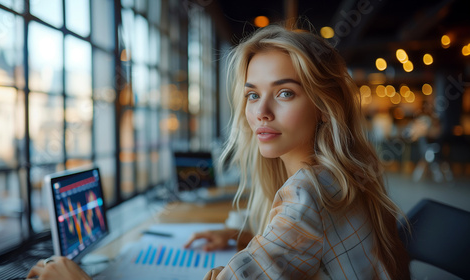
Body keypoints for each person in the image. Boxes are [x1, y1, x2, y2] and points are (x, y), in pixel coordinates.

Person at [27, 25, 410, 280]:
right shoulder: (340, 177)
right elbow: (309, 243)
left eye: (285, 93)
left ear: (324, 106)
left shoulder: (307, 194)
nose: (261, 111)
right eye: (252, 94)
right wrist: (242, 238)